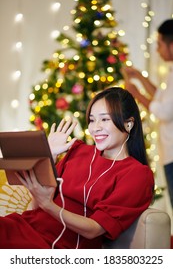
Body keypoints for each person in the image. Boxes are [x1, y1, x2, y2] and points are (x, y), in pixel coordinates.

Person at [0, 87, 154, 249]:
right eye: (92, 120)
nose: (95, 128)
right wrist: (49, 156)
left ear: (128, 123)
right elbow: (35, 207)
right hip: (24, 226)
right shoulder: (78, 151)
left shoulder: (137, 175)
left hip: (58, 247)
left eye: (105, 119)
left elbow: (94, 229)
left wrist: (49, 205)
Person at [121, 19, 173, 209]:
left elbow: (164, 111)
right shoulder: (171, 71)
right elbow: (161, 96)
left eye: (159, 44)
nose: (158, 50)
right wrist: (140, 77)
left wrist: (136, 94)